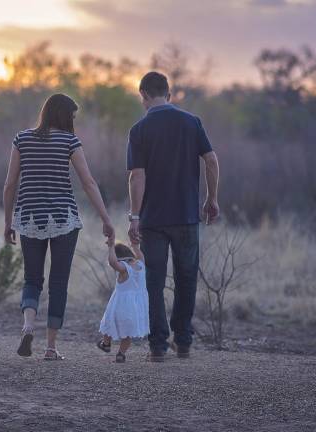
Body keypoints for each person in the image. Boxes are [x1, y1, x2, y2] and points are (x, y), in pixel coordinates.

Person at [2, 93, 114, 361]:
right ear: (64, 116)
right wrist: (106, 219)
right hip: (63, 218)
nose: (73, 121)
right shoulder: (69, 141)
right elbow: (88, 183)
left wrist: (8, 222)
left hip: (29, 217)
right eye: (72, 116)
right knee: (59, 283)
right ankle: (51, 348)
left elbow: (9, 184)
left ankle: (28, 326)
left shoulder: (22, 139)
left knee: (32, 278)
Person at [126, 71, 220, 362]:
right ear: (168, 93)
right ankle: (183, 341)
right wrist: (211, 198)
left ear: (143, 94)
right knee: (186, 278)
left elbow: (136, 177)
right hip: (186, 215)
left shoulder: (139, 130)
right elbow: (211, 160)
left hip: (153, 220)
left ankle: (157, 346)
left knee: (154, 281)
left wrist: (134, 216)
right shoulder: (191, 122)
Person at [96, 239, 149, 363]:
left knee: (109, 323)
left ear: (120, 258)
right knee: (127, 332)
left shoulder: (124, 269)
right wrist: (135, 246)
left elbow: (113, 262)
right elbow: (140, 255)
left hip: (121, 306)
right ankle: (121, 353)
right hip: (136, 308)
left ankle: (106, 343)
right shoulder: (141, 265)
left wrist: (110, 248)